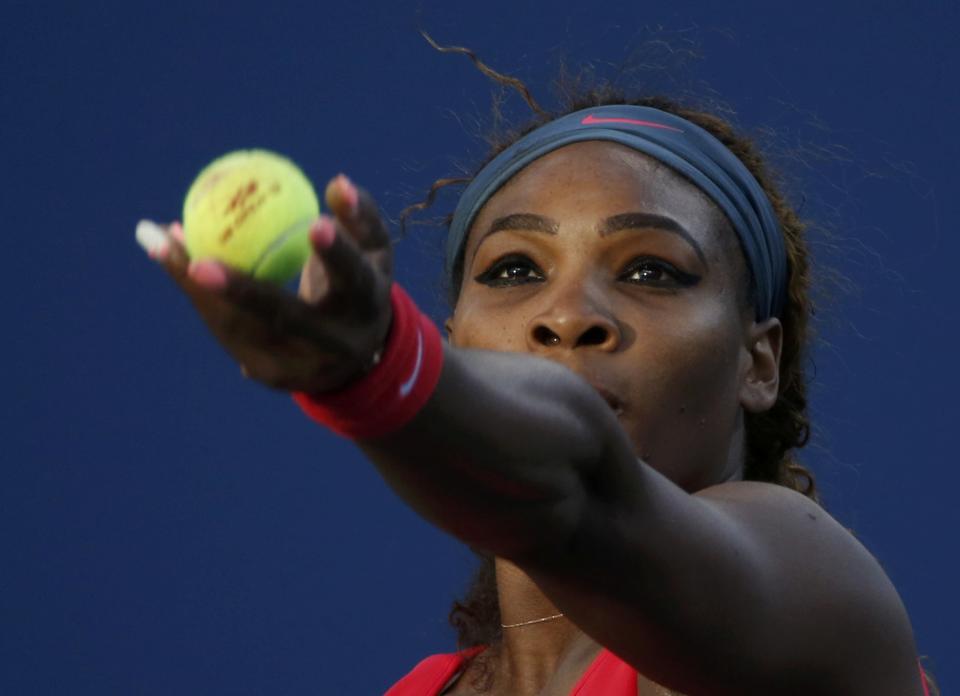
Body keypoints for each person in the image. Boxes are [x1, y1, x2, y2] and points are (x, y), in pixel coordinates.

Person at [136, 72, 936, 694]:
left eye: (651, 271)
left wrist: (380, 370)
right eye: (516, 269)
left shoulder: (820, 607)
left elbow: (579, 488)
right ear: (462, 345)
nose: (568, 316)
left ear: (757, 363)